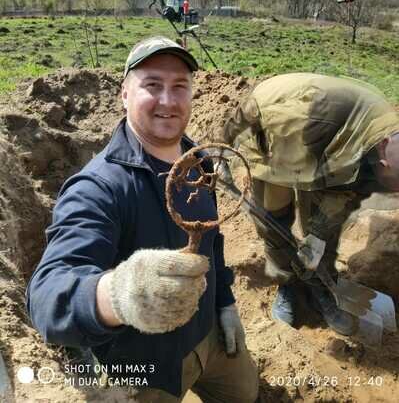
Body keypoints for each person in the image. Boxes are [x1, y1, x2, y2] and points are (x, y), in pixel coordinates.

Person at [26, 36, 259, 403]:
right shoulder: (99, 186)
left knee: (245, 394)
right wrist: (117, 293)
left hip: (210, 338)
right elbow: (47, 296)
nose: (167, 100)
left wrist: (225, 303)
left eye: (179, 86)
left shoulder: (198, 162)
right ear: (124, 94)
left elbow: (212, 241)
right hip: (144, 368)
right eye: (152, 85)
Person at [222, 72, 399, 335]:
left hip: (330, 159)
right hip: (275, 146)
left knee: (322, 235)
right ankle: (288, 286)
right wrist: (222, 148)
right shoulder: (297, 116)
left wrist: (318, 236)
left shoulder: (380, 145)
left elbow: (346, 193)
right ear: (384, 152)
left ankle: (322, 288)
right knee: (272, 220)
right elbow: (248, 113)